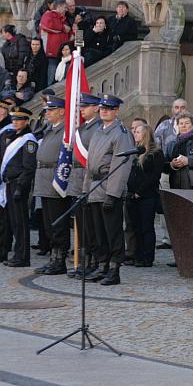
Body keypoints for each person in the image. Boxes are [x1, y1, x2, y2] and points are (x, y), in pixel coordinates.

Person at [84, 95, 135, 286]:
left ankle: (114, 268)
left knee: (112, 231)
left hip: (108, 187)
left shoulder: (120, 133)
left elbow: (120, 166)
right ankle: (102, 264)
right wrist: (85, 190)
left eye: (109, 108)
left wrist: (112, 194)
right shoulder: (98, 131)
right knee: (98, 231)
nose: (104, 111)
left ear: (116, 111)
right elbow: (91, 163)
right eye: (102, 108)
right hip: (95, 186)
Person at [32, 96, 70, 275]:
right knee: (48, 223)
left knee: (57, 223)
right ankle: (53, 258)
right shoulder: (48, 129)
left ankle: (59, 260)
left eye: (51, 109)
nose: (47, 112)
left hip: (55, 180)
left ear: (61, 111)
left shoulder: (65, 131)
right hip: (43, 179)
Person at [66, 94, 102, 278]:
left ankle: (93, 262)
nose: (82, 109)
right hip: (77, 178)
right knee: (80, 223)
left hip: (89, 179)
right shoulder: (81, 128)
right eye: (81, 106)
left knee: (91, 225)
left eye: (86, 106)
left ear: (96, 108)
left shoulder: (98, 128)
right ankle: (83, 261)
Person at [0, 107, 38, 267]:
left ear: (26, 121)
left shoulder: (28, 140)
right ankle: (16, 254)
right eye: (13, 119)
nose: (15, 122)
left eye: (19, 119)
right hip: (8, 183)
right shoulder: (12, 135)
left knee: (20, 222)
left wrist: (20, 187)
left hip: (18, 185)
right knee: (12, 222)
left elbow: (29, 167)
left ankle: (22, 257)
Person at [126, 124, 164, 268]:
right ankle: (137, 255)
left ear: (146, 134)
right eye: (134, 131)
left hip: (147, 196)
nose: (135, 133)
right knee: (135, 227)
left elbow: (154, 176)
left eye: (138, 131)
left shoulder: (155, 153)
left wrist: (139, 191)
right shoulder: (135, 151)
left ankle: (147, 257)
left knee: (146, 227)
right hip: (132, 196)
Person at [39, 0, 71, 84]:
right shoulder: (49, 14)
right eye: (65, 7)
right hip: (52, 50)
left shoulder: (62, 18)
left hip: (61, 51)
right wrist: (63, 28)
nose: (66, 9)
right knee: (52, 72)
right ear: (59, 7)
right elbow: (47, 26)